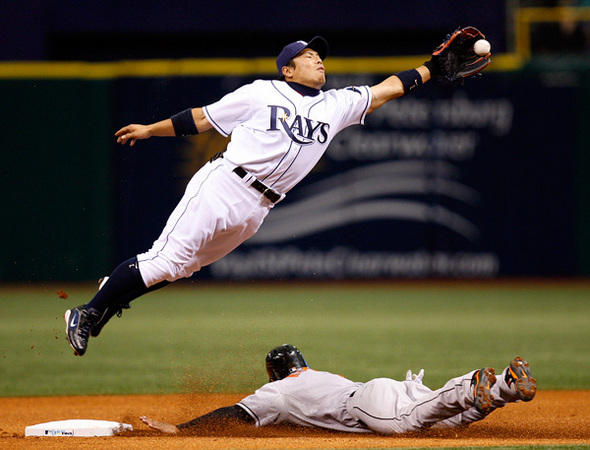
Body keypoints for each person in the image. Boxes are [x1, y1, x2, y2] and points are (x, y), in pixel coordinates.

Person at [64, 33, 487, 356]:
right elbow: (202, 119)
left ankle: (108, 302)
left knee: (179, 269)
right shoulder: (261, 92)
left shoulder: (336, 104)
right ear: (288, 69)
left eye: (319, 56)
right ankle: (87, 311)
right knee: (166, 259)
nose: (318, 59)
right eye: (308, 56)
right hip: (225, 183)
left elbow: (388, 89)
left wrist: (433, 66)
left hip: (259, 208)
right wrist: (151, 129)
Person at [139, 344, 537, 435]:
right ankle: (505, 384)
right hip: (384, 389)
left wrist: (183, 430)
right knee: (450, 425)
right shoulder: (319, 376)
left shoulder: (276, 393)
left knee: (409, 424)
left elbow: (237, 414)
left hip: (371, 402)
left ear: (274, 372)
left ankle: (471, 386)